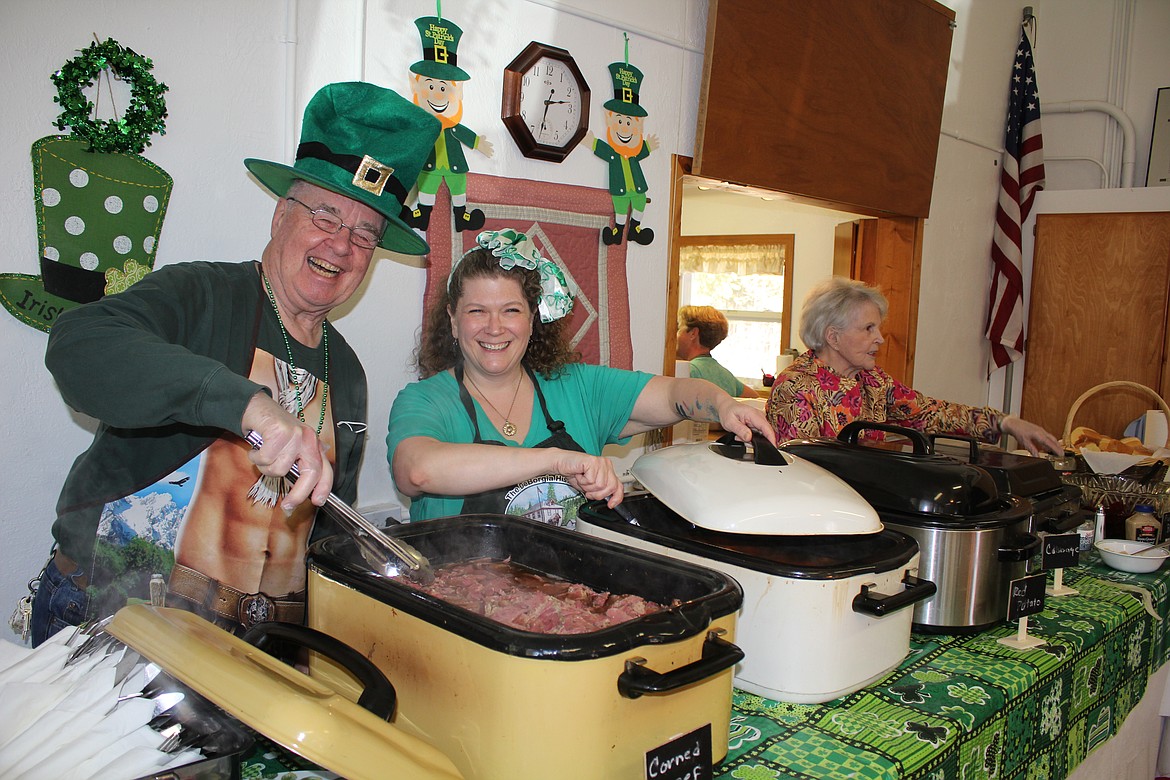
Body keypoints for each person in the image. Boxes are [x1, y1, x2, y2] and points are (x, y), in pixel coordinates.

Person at [27, 82, 441, 646]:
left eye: (364, 235)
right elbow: (79, 341)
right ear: (280, 214)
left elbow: (323, 527)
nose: (341, 245)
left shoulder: (346, 370)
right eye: (325, 216)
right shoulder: (200, 294)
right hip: (118, 616)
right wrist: (251, 407)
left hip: (253, 649)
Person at [387, 228, 777, 526]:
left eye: (511, 311)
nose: (494, 328)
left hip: (573, 605)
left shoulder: (578, 387)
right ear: (453, 320)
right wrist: (555, 460)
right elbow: (417, 471)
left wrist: (723, 404)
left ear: (532, 319)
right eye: (476, 312)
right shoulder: (424, 401)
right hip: (464, 609)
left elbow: (675, 392)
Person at [766, 276, 1063, 456]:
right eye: (868, 328)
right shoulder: (796, 386)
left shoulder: (873, 380)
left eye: (878, 328)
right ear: (833, 336)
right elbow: (801, 463)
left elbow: (931, 413)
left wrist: (1005, 421)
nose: (880, 338)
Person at [676, 305, 759, 398]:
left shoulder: (688, 371)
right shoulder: (726, 375)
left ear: (693, 333)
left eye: (679, 329)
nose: (675, 335)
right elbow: (754, 397)